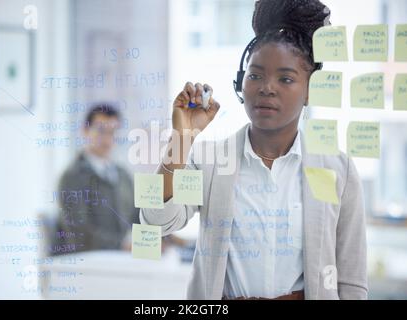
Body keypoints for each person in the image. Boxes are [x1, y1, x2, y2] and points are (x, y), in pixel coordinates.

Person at [140, 0, 367, 300]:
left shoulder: (339, 169)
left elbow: (351, 282)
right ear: (240, 83)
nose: (266, 88)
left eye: (285, 78)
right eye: (256, 75)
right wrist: (181, 139)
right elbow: (154, 219)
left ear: (311, 90)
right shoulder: (208, 161)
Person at [52, 103, 139, 254]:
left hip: (116, 260)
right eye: (101, 131)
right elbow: (80, 234)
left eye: (112, 132)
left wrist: (164, 236)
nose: (107, 139)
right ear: (85, 131)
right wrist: (123, 246)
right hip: (83, 265)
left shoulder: (123, 175)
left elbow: (138, 217)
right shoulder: (72, 177)